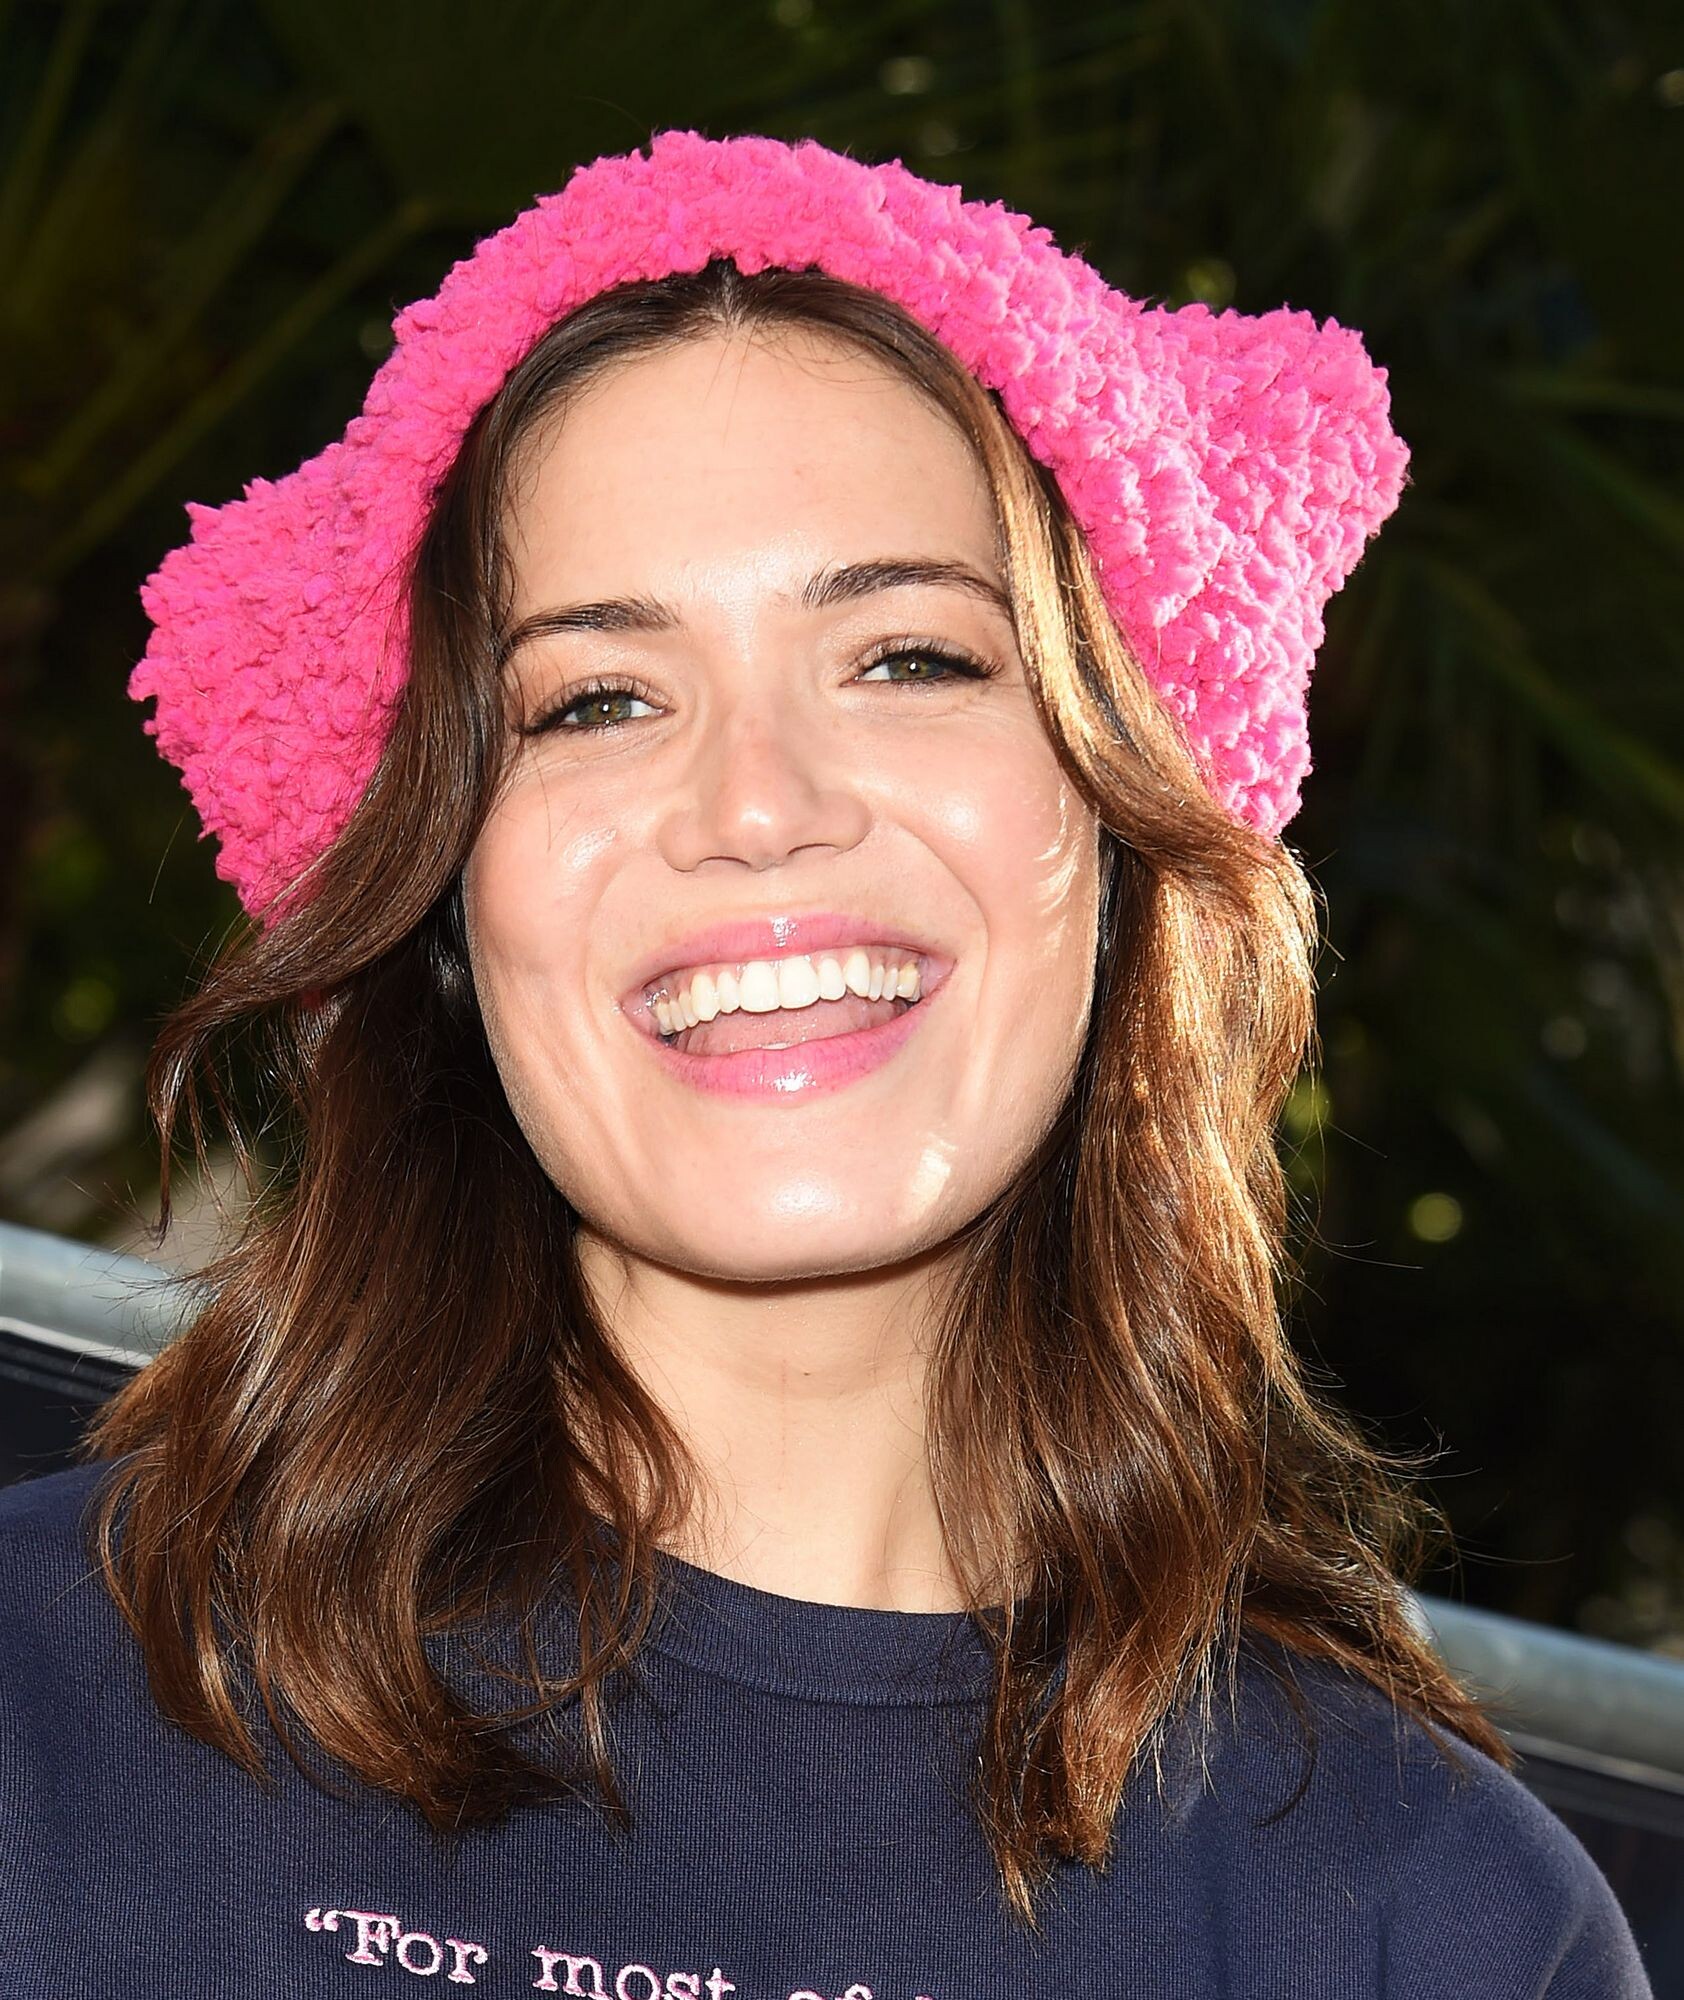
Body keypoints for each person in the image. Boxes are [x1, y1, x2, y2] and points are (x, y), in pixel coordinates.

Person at [0, 130, 1653, 1999]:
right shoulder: (41, 1718)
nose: (756, 805)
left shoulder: (1439, 1926)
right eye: (596, 698)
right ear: (446, 903)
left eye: (909, 659)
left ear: (1124, 822)